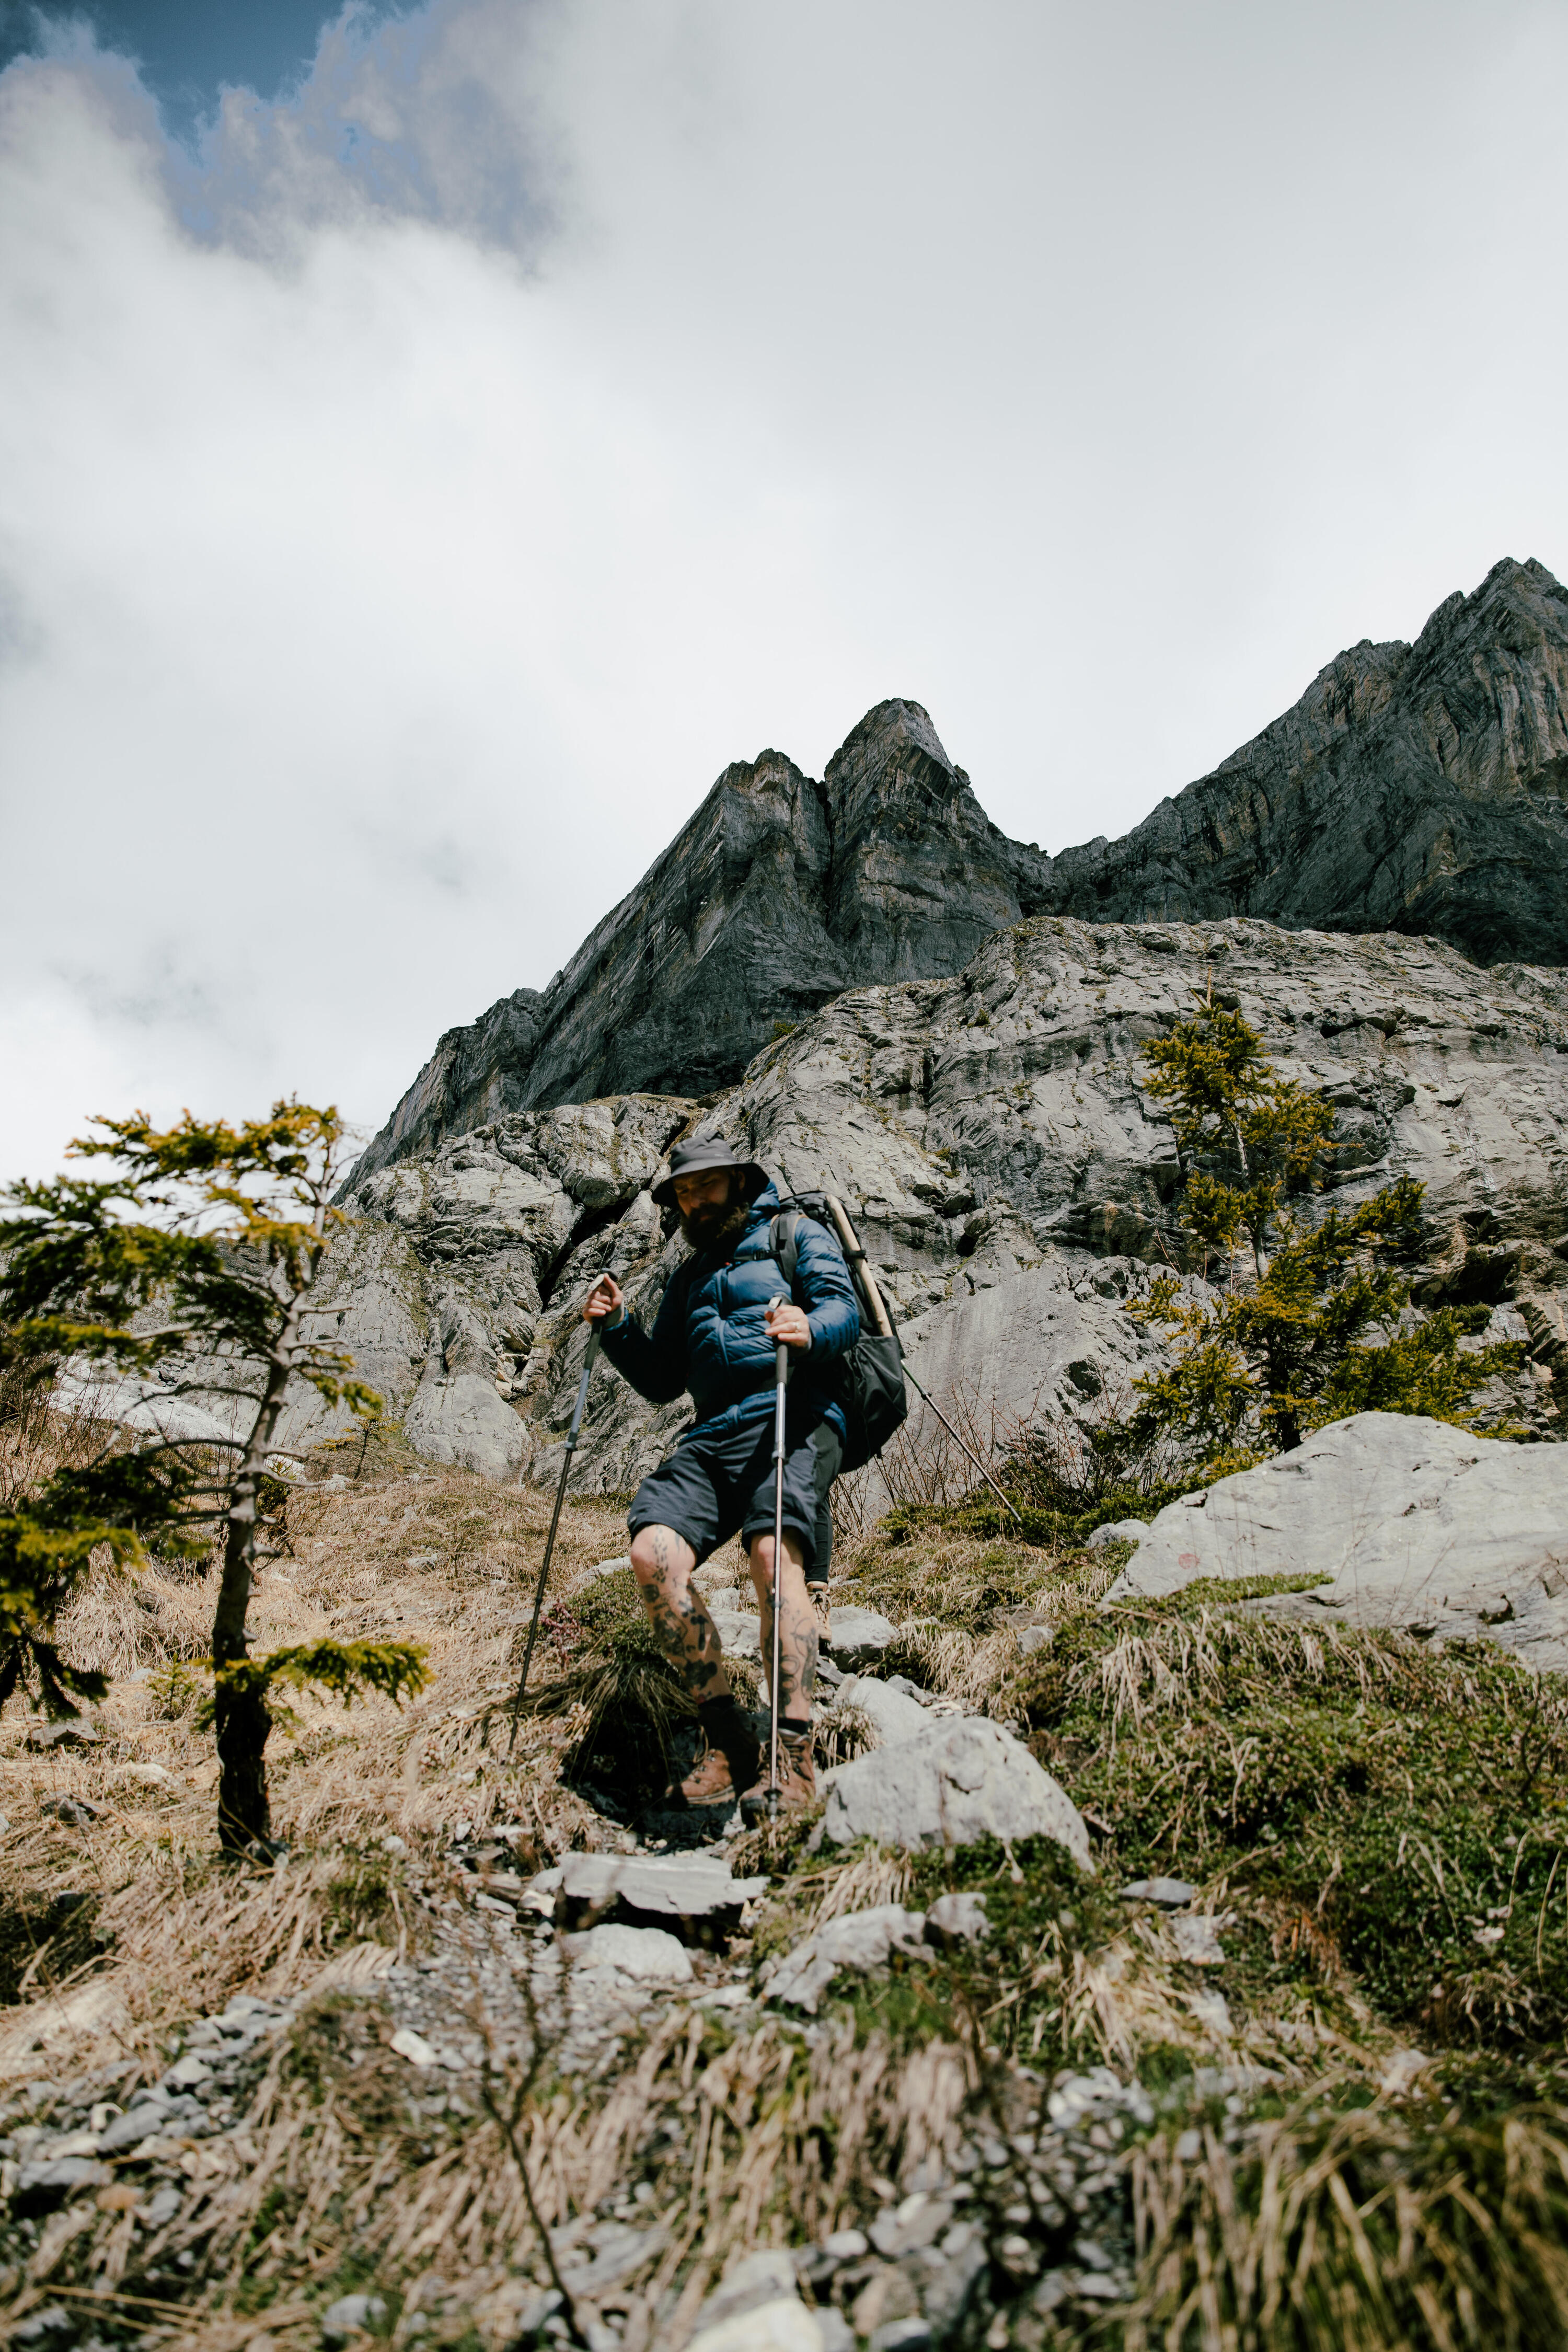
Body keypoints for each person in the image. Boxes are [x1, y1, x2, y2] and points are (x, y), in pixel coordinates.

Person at [581, 1137, 859, 1818]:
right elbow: (661, 1380)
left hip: (796, 1409)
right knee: (652, 1554)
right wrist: (617, 1328)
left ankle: (792, 1751)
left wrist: (809, 1325)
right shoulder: (689, 1278)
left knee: (770, 1552)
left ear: (739, 1183)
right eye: (682, 1193)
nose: (693, 1202)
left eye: (705, 1187)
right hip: (713, 1434)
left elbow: (843, 1311)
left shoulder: (799, 1235)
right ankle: (730, 1739)